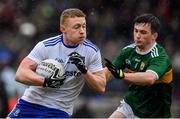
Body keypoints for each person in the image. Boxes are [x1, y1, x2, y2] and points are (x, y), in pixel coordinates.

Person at [8, 8, 106, 118]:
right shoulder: (46, 46)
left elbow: (101, 87)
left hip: (60, 110)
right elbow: (20, 74)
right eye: (77, 27)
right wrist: (46, 81)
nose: (82, 31)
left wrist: (84, 71)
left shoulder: (92, 51)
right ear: (63, 29)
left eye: (84, 26)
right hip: (31, 103)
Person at [104, 14, 173, 118]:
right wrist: (85, 72)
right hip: (131, 105)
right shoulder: (127, 51)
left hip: (155, 113)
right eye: (136, 31)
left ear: (154, 36)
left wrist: (123, 75)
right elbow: (106, 74)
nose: (137, 35)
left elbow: (150, 78)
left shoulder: (160, 57)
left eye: (143, 32)